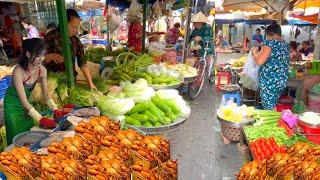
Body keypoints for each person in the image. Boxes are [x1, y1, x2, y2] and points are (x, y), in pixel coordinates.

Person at [4, 38, 61, 145]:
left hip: (26, 105)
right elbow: (24, 101)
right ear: (28, 54)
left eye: (43, 55)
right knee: (15, 134)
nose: (41, 59)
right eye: (38, 55)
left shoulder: (42, 70)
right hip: (13, 104)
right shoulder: (18, 71)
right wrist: (40, 119)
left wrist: (54, 108)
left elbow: (45, 94)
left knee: (28, 132)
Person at [44, 9, 96, 90]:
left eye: (77, 27)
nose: (75, 30)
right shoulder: (50, 37)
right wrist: (49, 56)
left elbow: (82, 63)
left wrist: (90, 83)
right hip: (52, 83)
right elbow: (39, 60)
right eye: (73, 27)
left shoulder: (76, 41)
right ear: (64, 23)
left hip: (71, 81)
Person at [252, 23, 290, 110]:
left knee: (269, 109)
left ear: (270, 34)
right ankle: (277, 121)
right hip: (281, 82)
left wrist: (255, 52)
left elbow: (259, 61)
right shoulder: (285, 45)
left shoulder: (270, 44)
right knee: (273, 106)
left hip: (270, 83)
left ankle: (275, 123)